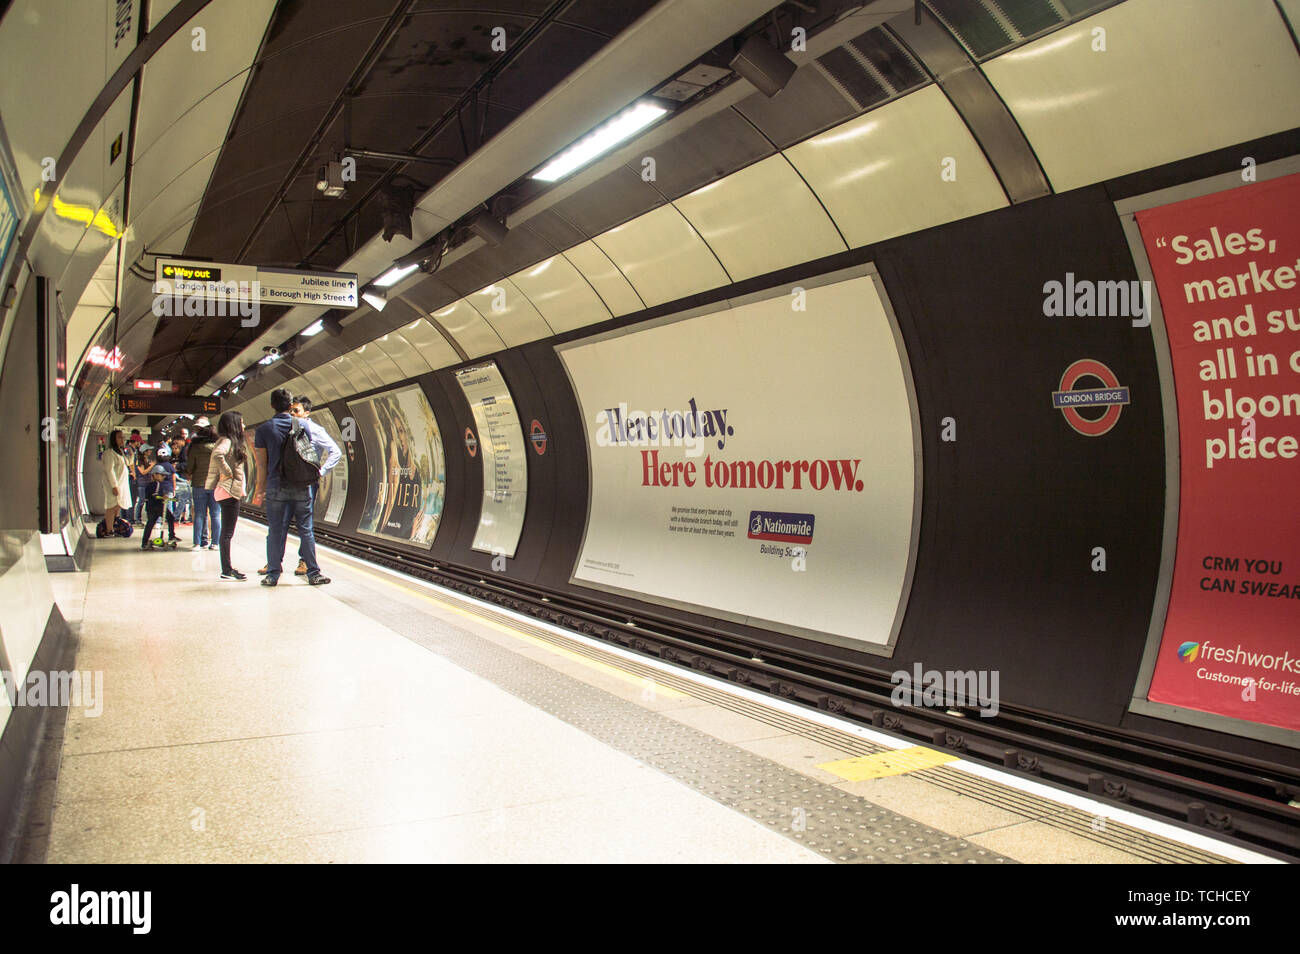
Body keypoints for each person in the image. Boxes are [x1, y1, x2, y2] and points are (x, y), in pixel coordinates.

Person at [252, 388, 339, 587]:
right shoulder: (302, 425)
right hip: (301, 486)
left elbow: (261, 464)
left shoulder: (264, 429)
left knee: (276, 529)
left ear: (272, 405)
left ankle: (273, 574)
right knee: (306, 529)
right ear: (290, 405)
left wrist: (259, 489)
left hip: (276, 486)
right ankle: (313, 572)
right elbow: (307, 455)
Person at [210, 411, 248, 581]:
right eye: (241, 422)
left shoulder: (231, 442)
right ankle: (226, 570)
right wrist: (228, 473)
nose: (244, 426)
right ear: (234, 425)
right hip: (228, 491)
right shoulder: (227, 441)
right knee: (227, 533)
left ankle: (227, 568)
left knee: (226, 532)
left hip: (229, 490)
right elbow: (218, 455)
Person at [187, 418, 221, 550]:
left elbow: (190, 467)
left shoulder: (195, 447)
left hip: (199, 484)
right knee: (216, 514)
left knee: (200, 514)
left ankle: (198, 543)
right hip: (215, 484)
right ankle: (216, 543)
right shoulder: (217, 447)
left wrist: (189, 472)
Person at [141, 445, 179, 549]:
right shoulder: (156, 484)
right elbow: (155, 496)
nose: (163, 477)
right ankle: (171, 536)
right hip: (156, 507)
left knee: (150, 524)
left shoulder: (153, 484)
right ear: (155, 475)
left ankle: (144, 542)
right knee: (169, 518)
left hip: (152, 507)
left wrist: (164, 497)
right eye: (162, 475)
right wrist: (163, 498)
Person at [101, 429, 132, 534]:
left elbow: (128, 463)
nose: (122, 439)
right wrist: (114, 485)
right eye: (119, 437)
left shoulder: (121, 452)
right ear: (113, 439)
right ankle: (109, 529)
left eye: (123, 437)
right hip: (114, 485)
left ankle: (115, 525)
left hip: (122, 484)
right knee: (112, 506)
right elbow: (109, 470)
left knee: (118, 506)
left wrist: (131, 453)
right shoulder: (109, 453)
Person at [132, 447, 153, 524]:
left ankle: (149, 518)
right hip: (142, 484)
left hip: (148, 483)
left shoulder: (148, 460)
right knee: (141, 501)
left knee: (148, 501)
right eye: (149, 450)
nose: (150, 451)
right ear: (144, 452)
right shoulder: (139, 461)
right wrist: (151, 466)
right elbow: (143, 472)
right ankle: (138, 519)